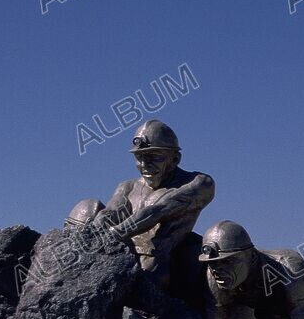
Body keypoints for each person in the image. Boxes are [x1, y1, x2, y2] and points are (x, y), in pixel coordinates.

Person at [90, 120, 215, 290]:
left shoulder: (199, 183)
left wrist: (114, 234)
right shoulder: (127, 187)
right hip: (118, 253)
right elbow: (110, 213)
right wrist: (91, 234)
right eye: (139, 157)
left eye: (154, 157)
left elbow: (157, 210)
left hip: (158, 261)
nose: (144, 165)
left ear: (175, 158)